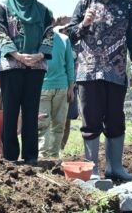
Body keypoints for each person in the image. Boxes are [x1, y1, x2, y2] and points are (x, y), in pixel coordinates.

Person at [67, 0, 132, 180]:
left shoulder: (127, 5)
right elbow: (70, 35)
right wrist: (84, 25)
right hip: (88, 73)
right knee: (90, 120)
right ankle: (92, 170)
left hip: (115, 73)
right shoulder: (84, 4)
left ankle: (115, 167)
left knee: (115, 119)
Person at [0, 0, 53, 165]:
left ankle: (31, 157)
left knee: (31, 112)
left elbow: (48, 34)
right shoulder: (4, 8)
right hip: (12, 67)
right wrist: (18, 55)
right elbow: (1, 33)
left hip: (35, 67)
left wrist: (38, 55)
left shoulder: (43, 10)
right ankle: (10, 157)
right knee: (10, 112)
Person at [38, 16, 74, 158]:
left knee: (59, 125)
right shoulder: (35, 40)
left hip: (62, 88)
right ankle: (42, 156)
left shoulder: (64, 40)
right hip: (42, 88)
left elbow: (70, 65)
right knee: (42, 124)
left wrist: (71, 87)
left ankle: (53, 156)